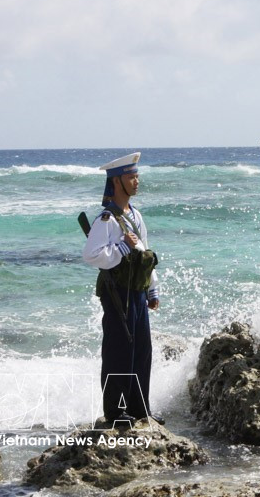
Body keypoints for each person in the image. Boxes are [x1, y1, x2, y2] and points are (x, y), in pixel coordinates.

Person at [82, 152, 163, 425]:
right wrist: (120, 247)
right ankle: (116, 412)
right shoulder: (106, 219)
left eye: (137, 175)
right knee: (119, 351)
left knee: (141, 350)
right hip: (117, 291)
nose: (137, 181)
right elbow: (92, 255)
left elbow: (144, 254)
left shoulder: (136, 216)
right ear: (117, 182)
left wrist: (152, 289)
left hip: (137, 291)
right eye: (131, 176)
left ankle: (140, 409)